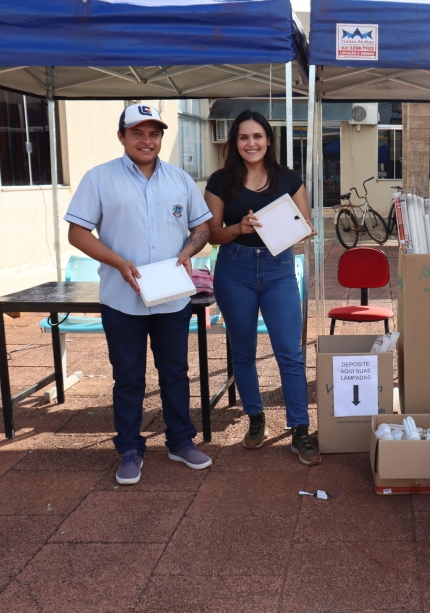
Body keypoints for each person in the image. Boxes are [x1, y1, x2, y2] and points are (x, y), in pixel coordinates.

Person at [65, 104, 214, 485]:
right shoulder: (99, 179)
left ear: (161, 137)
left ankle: (181, 441)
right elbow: (77, 233)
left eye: (154, 133)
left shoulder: (180, 180)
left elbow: (202, 228)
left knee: (175, 373)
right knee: (129, 377)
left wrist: (188, 250)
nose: (147, 141)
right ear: (122, 137)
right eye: (137, 133)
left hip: (171, 296)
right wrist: (118, 262)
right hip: (121, 297)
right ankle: (129, 448)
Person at [203, 110, 321, 465]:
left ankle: (300, 429)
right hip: (233, 268)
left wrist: (301, 228)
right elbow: (212, 235)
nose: (250, 143)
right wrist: (238, 228)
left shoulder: (289, 179)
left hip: (279, 269)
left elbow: (306, 225)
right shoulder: (220, 180)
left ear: (269, 140)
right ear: (234, 143)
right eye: (243, 137)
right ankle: (256, 420)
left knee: (290, 352)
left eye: (257, 136)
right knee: (243, 351)